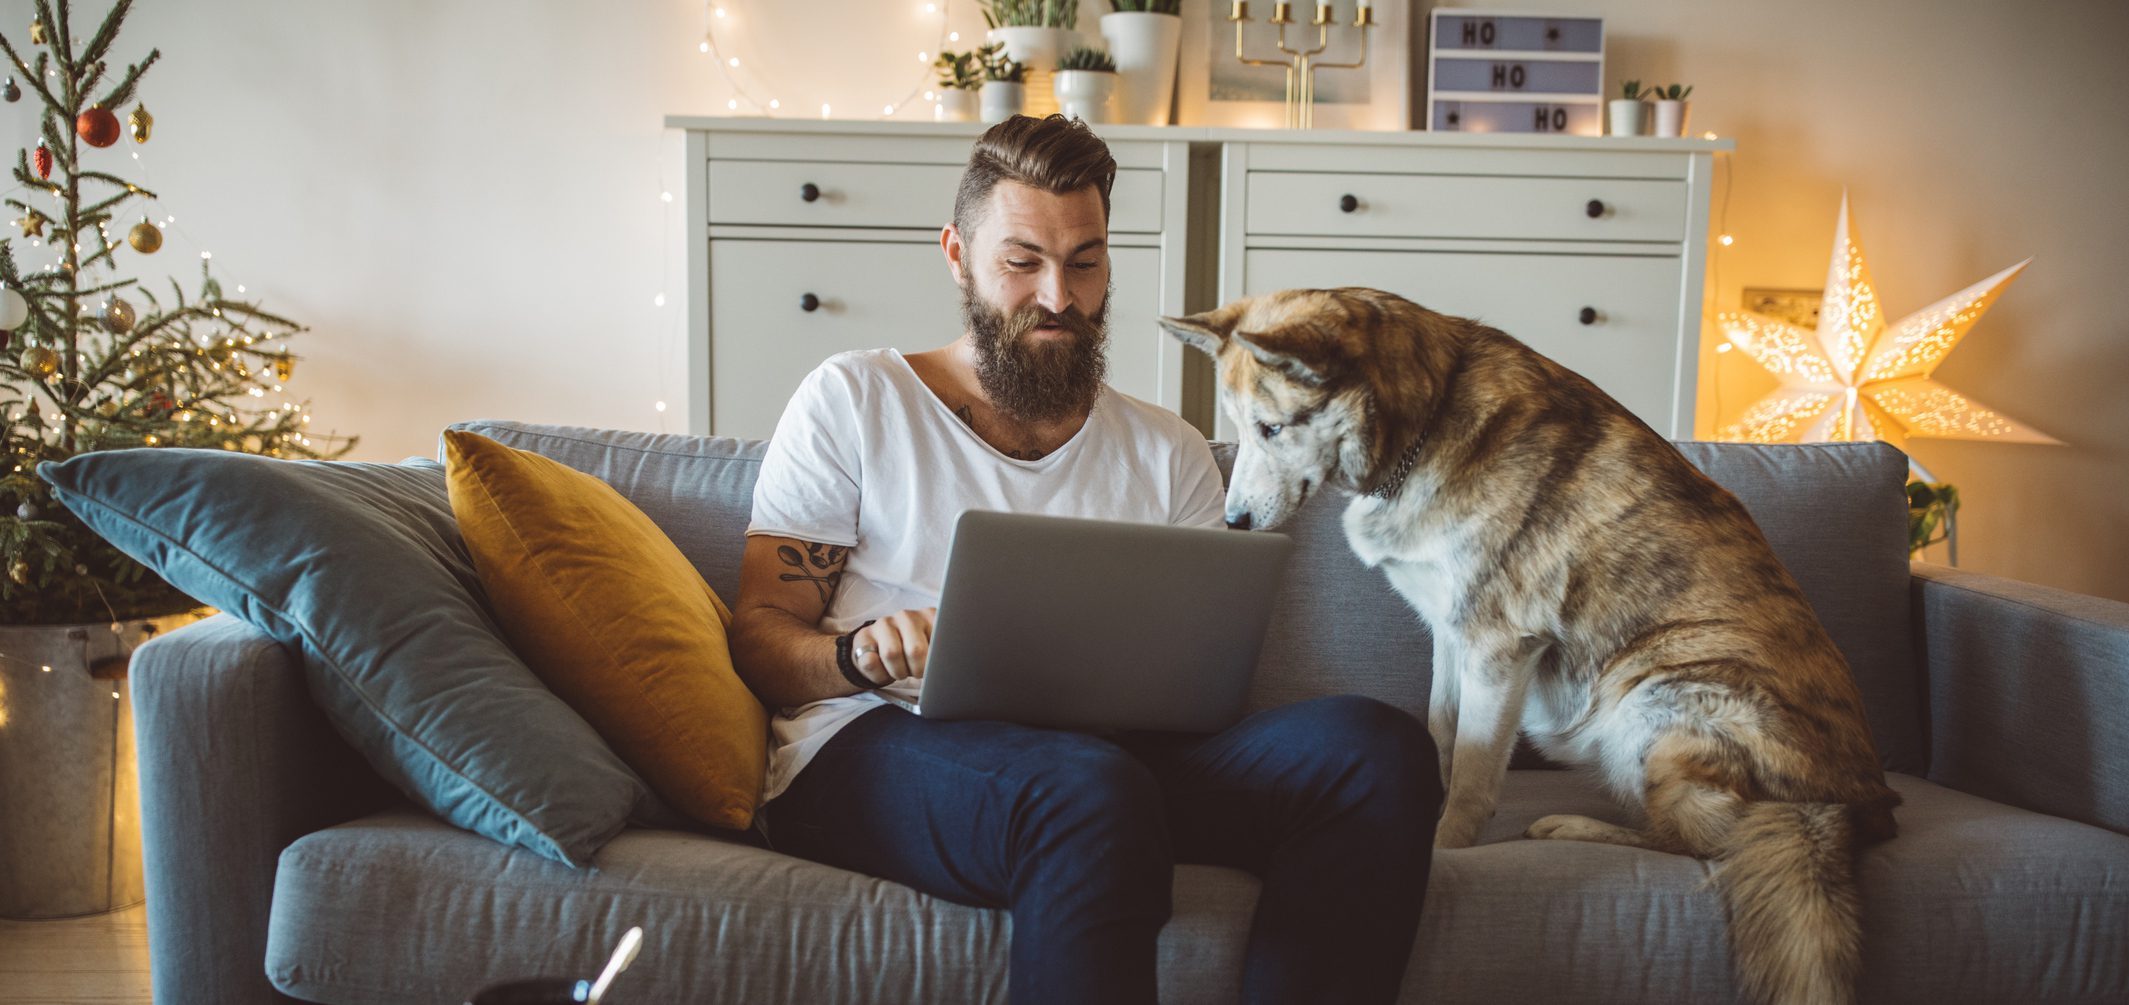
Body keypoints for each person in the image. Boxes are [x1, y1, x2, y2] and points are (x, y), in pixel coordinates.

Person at [730, 114, 1441, 1005]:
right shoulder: (855, 398)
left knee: (1374, 748)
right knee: (1084, 789)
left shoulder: (1168, 450)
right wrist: (857, 651)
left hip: (1111, 762)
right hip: (876, 745)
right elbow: (761, 636)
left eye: (1085, 262)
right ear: (958, 255)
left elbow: (1195, 680)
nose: (1059, 298)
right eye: (1021, 262)